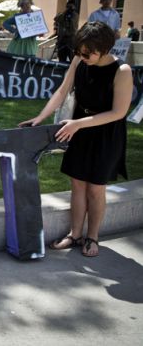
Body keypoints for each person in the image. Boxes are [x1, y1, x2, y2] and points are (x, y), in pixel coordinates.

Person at [19, 21, 132, 258]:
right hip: (78, 128)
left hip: (104, 133)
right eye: (79, 51)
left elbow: (118, 113)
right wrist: (40, 117)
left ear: (104, 48)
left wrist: (78, 125)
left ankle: (93, 237)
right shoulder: (79, 60)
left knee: (96, 189)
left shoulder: (122, 71)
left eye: (88, 52)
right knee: (77, 184)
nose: (83, 56)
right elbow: (62, 91)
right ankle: (75, 233)